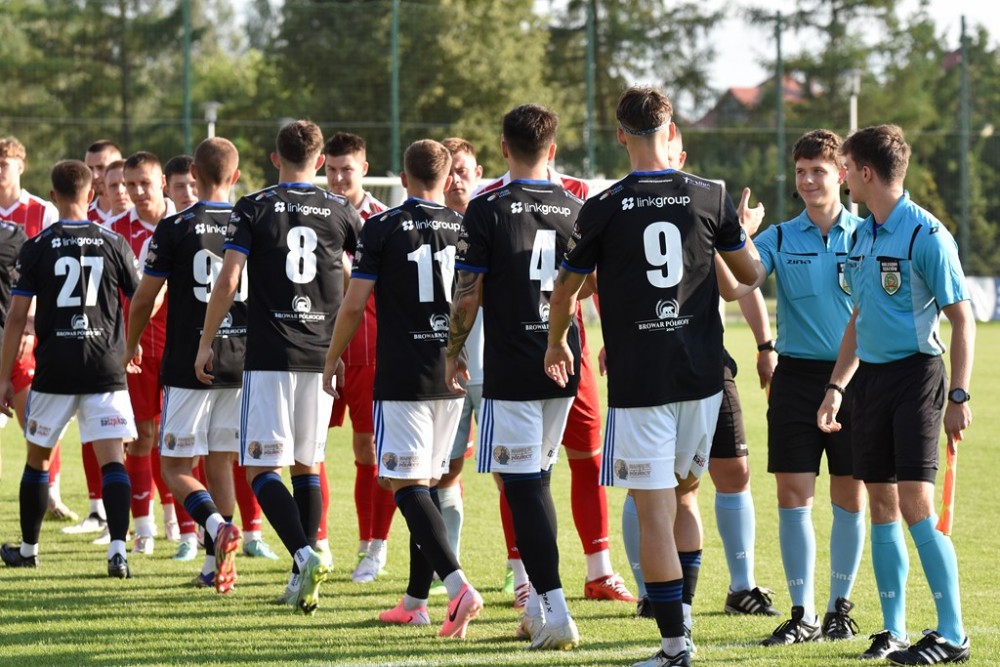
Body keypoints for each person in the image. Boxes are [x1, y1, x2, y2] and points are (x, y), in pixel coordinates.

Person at [544, 85, 765, 667]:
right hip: (703, 379)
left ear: (620, 134)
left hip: (641, 382)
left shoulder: (602, 206)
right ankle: (681, 624)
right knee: (685, 499)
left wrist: (556, 341)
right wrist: (741, 229)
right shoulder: (711, 194)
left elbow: (566, 290)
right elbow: (750, 274)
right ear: (670, 131)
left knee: (655, 514)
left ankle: (674, 645)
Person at [818, 124, 975, 665]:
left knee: (915, 504)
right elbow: (859, 319)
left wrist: (959, 396)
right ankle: (894, 630)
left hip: (917, 378)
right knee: (881, 505)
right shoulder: (861, 235)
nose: (842, 177)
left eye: (845, 167)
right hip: (870, 383)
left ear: (865, 172)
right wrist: (836, 386)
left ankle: (952, 635)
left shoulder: (926, 235)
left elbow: (962, 319)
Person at [196, 119, 362, 615]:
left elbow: (229, 279)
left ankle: (305, 557)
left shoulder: (253, 206)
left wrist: (206, 341)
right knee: (307, 464)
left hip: (271, 355)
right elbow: (355, 277)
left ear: (275, 159)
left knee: (260, 467)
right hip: (320, 353)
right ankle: (301, 573)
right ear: (320, 161)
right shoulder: (341, 209)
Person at [622, 126, 779, 636]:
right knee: (650, 488)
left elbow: (738, 286)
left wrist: (765, 345)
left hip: (707, 364)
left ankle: (741, 586)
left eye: (670, 152)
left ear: (680, 154)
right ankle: (652, 592)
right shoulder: (628, 207)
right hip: (650, 367)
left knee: (730, 472)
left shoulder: (702, 204)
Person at [324, 138, 484, 639]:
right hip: (451, 371)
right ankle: (416, 601)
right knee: (428, 486)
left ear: (401, 177)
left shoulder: (382, 226)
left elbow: (354, 304)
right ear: (447, 178)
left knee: (405, 485)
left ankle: (457, 586)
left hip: (402, 375)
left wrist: (331, 357)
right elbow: (474, 298)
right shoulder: (466, 225)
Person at [716, 129, 867, 646]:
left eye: (817, 171)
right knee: (793, 496)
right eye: (800, 171)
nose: (807, 180)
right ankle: (803, 614)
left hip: (855, 380)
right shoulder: (779, 237)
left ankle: (839, 610)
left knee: (850, 496)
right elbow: (736, 286)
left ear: (841, 174)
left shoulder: (866, 235)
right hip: (796, 379)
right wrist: (733, 237)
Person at [477, 135, 634, 609]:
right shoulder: (490, 200)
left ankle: (599, 570)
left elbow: (599, 279)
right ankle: (523, 576)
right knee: (518, 472)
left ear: (505, 146)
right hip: (514, 353)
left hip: (569, 351)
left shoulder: (579, 194)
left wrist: (610, 337)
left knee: (586, 457)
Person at [448, 104, 584, 650]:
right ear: (552, 150)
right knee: (538, 482)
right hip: (563, 361)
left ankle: (555, 610)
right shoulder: (576, 207)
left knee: (523, 487)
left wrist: (453, 353)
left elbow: (467, 294)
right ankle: (537, 608)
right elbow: (591, 283)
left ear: (504, 148)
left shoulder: (486, 208)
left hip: (512, 365)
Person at [0, 159, 139, 578]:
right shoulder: (114, 242)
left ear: (53, 195)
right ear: (91, 194)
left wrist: (3, 376)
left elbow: (16, 316)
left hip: (55, 369)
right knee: (112, 461)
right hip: (105, 366)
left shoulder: (37, 246)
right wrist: (130, 343)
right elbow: (142, 299)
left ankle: (29, 549)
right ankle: (118, 551)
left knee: (38, 460)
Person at [123, 137, 246, 593]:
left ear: (193, 173)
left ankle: (216, 528)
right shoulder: (250, 221)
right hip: (240, 359)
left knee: (174, 467)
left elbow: (144, 298)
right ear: (235, 176)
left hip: (189, 362)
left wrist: (130, 344)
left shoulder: (175, 227)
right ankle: (215, 567)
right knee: (220, 462)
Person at [322, 131, 393, 580]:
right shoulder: (314, 215)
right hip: (316, 349)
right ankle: (317, 545)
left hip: (369, 350)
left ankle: (372, 545)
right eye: (330, 169)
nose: (337, 178)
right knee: (309, 450)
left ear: (364, 169)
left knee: (370, 449)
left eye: (346, 169)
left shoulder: (383, 220)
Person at [0, 136, 74, 523]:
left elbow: (55, 272)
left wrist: (31, 321)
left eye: (4, 164)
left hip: (27, 334)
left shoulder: (42, 212)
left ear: (20, 166)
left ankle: (51, 493)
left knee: (40, 422)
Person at [107, 151, 176, 553]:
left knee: (180, 437)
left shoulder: (184, 224)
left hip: (180, 347)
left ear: (162, 182)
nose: (136, 191)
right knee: (141, 435)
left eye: (144, 183)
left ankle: (179, 519)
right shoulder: (114, 231)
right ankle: (144, 527)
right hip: (133, 350)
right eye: (129, 184)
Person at [431, 136, 484, 576]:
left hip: (493, 366)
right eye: (448, 173)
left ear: (478, 173)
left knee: (513, 473)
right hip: (442, 369)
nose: (455, 180)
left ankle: (520, 572)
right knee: (444, 470)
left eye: (462, 171)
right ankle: (446, 566)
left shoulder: (492, 221)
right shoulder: (427, 228)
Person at [85, 140, 124, 224]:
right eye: (90, 168)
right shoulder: (83, 216)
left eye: (101, 168)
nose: (94, 175)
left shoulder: (141, 214)